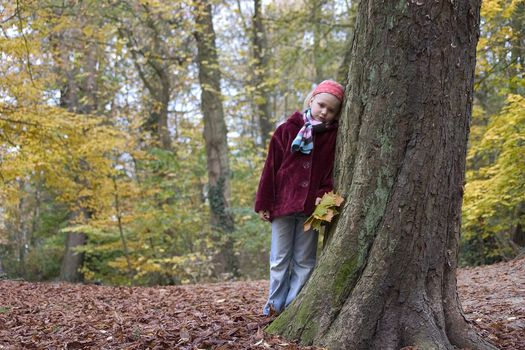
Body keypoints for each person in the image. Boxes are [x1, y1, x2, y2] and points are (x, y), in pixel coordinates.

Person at [255, 80, 345, 316]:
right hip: (282, 206)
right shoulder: (287, 129)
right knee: (279, 260)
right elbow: (270, 168)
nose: (324, 112)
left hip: (310, 209)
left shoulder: (332, 137)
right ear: (311, 100)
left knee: (305, 261)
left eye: (331, 110)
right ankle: (274, 307)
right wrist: (263, 203)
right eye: (322, 105)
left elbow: (329, 173)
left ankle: (292, 307)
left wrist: (321, 195)